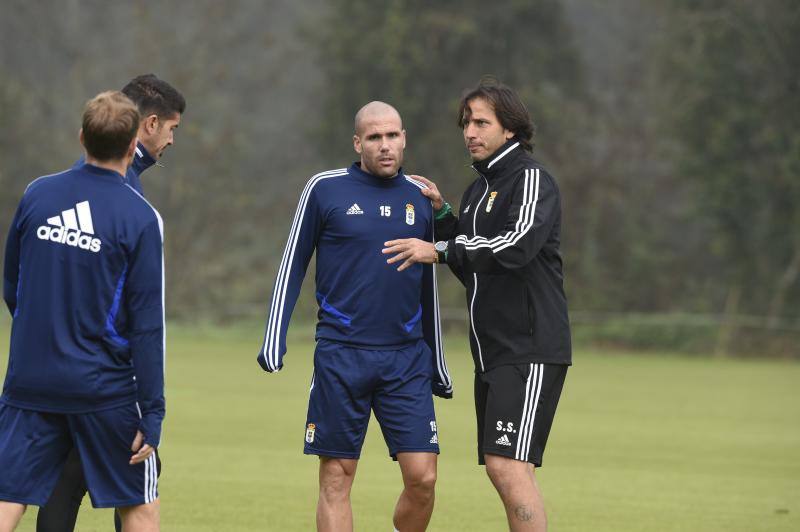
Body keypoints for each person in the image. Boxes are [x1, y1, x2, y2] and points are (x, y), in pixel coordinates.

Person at [382, 78, 571, 532]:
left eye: (482, 122)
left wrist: (441, 249)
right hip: (492, 352)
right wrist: (446, 217)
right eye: (466, 122)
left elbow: (517, 245)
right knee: (503, 464)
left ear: (510, 129)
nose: (470, 131)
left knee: (508, 465)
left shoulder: (529, 178)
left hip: (529, 347)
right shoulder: (477, 191)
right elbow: (473, 262)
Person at [257, 101, 453, 532]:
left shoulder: (421, 198)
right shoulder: (324, 188)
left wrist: (436, 361)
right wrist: (275, 335)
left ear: (404, 138)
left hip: (405, 360)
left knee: (423, 478)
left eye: (393, 136)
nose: (386, 146)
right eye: (375, 137)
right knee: (336, 478)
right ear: (357, 142)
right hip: (341, 356)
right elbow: (293, 263)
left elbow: (429, 288)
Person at [0, 91, 166, 532]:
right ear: (134, 146)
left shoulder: (38, 193)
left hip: (28, 381)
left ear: (81, 138)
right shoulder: (140, 217)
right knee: (140, 501)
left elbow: (12, 285)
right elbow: (148, 325)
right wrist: (152, 412)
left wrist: (45, 336)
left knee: (7, 497)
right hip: (102, 389)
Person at [35, 74, 184, 532]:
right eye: (173, 128)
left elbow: (21, 287)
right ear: (150, 123)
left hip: (52, 368)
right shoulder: (127, 195)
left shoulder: (57, 188)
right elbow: (142, 316)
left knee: (64, 478)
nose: (173, 140)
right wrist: (150, 404)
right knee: (138, 486)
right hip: (109, 379)